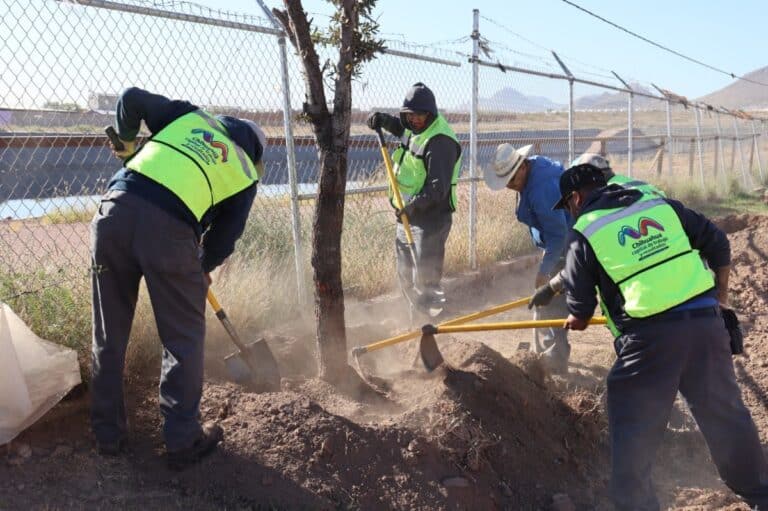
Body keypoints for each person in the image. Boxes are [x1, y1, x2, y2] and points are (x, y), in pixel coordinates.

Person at [554, 163, 768, 510]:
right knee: (726, 416)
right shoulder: (657, 205)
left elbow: (580, 312)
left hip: (650, 341)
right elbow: (717, 242)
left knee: (632, 428)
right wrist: (721, 301)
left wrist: (573, 318)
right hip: (706, 325)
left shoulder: (583, 232)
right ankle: (761, 494)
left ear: (575, 199)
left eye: (567, 206)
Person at [91, 87, 267, 470]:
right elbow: (225, 236)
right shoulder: (244, 170)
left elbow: (131, 97)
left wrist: (124, 142)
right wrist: (202, 269)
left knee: (109, 332)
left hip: (113, 214)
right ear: (254, 151)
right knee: (183, 338)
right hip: (168, 231)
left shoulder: (190, 118)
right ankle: (183, 439)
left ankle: (108, 436)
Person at [366, 82, 462, 321]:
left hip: (430, 220)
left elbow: (437, 190)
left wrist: (411, 207)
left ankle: (430, 327)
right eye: (410, 115)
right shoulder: (413, 128)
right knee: (406, 274)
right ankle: (412, 323)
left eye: (420, 116)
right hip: (408, 214)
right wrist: (381, 120)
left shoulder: (440, 141)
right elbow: (401, 129)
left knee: (425, 279)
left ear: (431, 114)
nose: (415, 120)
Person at [528, 152, 665, 308]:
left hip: (648, 297)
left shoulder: (606, 208)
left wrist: (552, 288)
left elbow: (584, 262)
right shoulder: (640, 186)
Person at [485, 144, 570, 373]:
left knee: (552, 300)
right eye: (507, 183)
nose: (512, 187)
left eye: (513, 180)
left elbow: (558, 235)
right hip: (560, 243)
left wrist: (545, 271)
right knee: (547, 300)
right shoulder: (534, 167)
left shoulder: (541, 189)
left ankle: (555, 362)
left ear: (522, 165)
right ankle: (546, 350)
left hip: (568, 245)